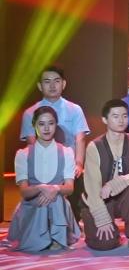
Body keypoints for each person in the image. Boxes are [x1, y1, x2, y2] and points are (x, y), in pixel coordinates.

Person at [81, 99, 129, 251]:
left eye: (124, 116)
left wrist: (116, 183)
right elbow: (92, 187)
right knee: (104, 244)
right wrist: (101, 218)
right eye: (115, 116)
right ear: (105, 119)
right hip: (99, 199)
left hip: (125, 198)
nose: (121, 120)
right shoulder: (94, 146)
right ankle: (108, 232)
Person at [10, 105, 79, 252]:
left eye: (51, 123)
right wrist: (41, 188)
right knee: (44, 200)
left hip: (57, 205)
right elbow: (24, 192)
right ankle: (38, 238)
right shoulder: (23, 154)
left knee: (56, 199)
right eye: (41, 124)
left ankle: (57, 238)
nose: (46, 128)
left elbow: (69, 188)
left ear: (56, 125)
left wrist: (55, 188)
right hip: (32, 205)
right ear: (34, 125)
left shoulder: (67, 152)